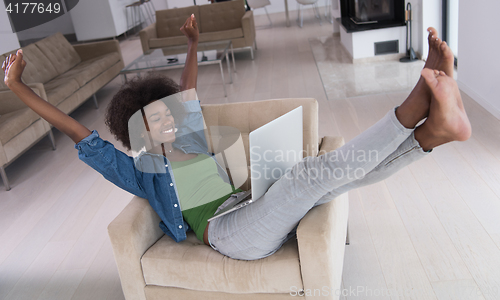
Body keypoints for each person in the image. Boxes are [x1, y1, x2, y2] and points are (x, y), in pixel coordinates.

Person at [2, 13, 471, 260]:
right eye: (151, 121)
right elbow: (78, 133)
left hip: (252, 208)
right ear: (137, 133)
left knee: (335, 181)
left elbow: (186, 91)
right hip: (229, 236)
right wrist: (19, 87)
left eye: (165, 113)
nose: (165, 121)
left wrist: (191, 44)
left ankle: (431, 133)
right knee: (311, 177)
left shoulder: (189, 138)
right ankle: (416, 102)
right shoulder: (141, 172)